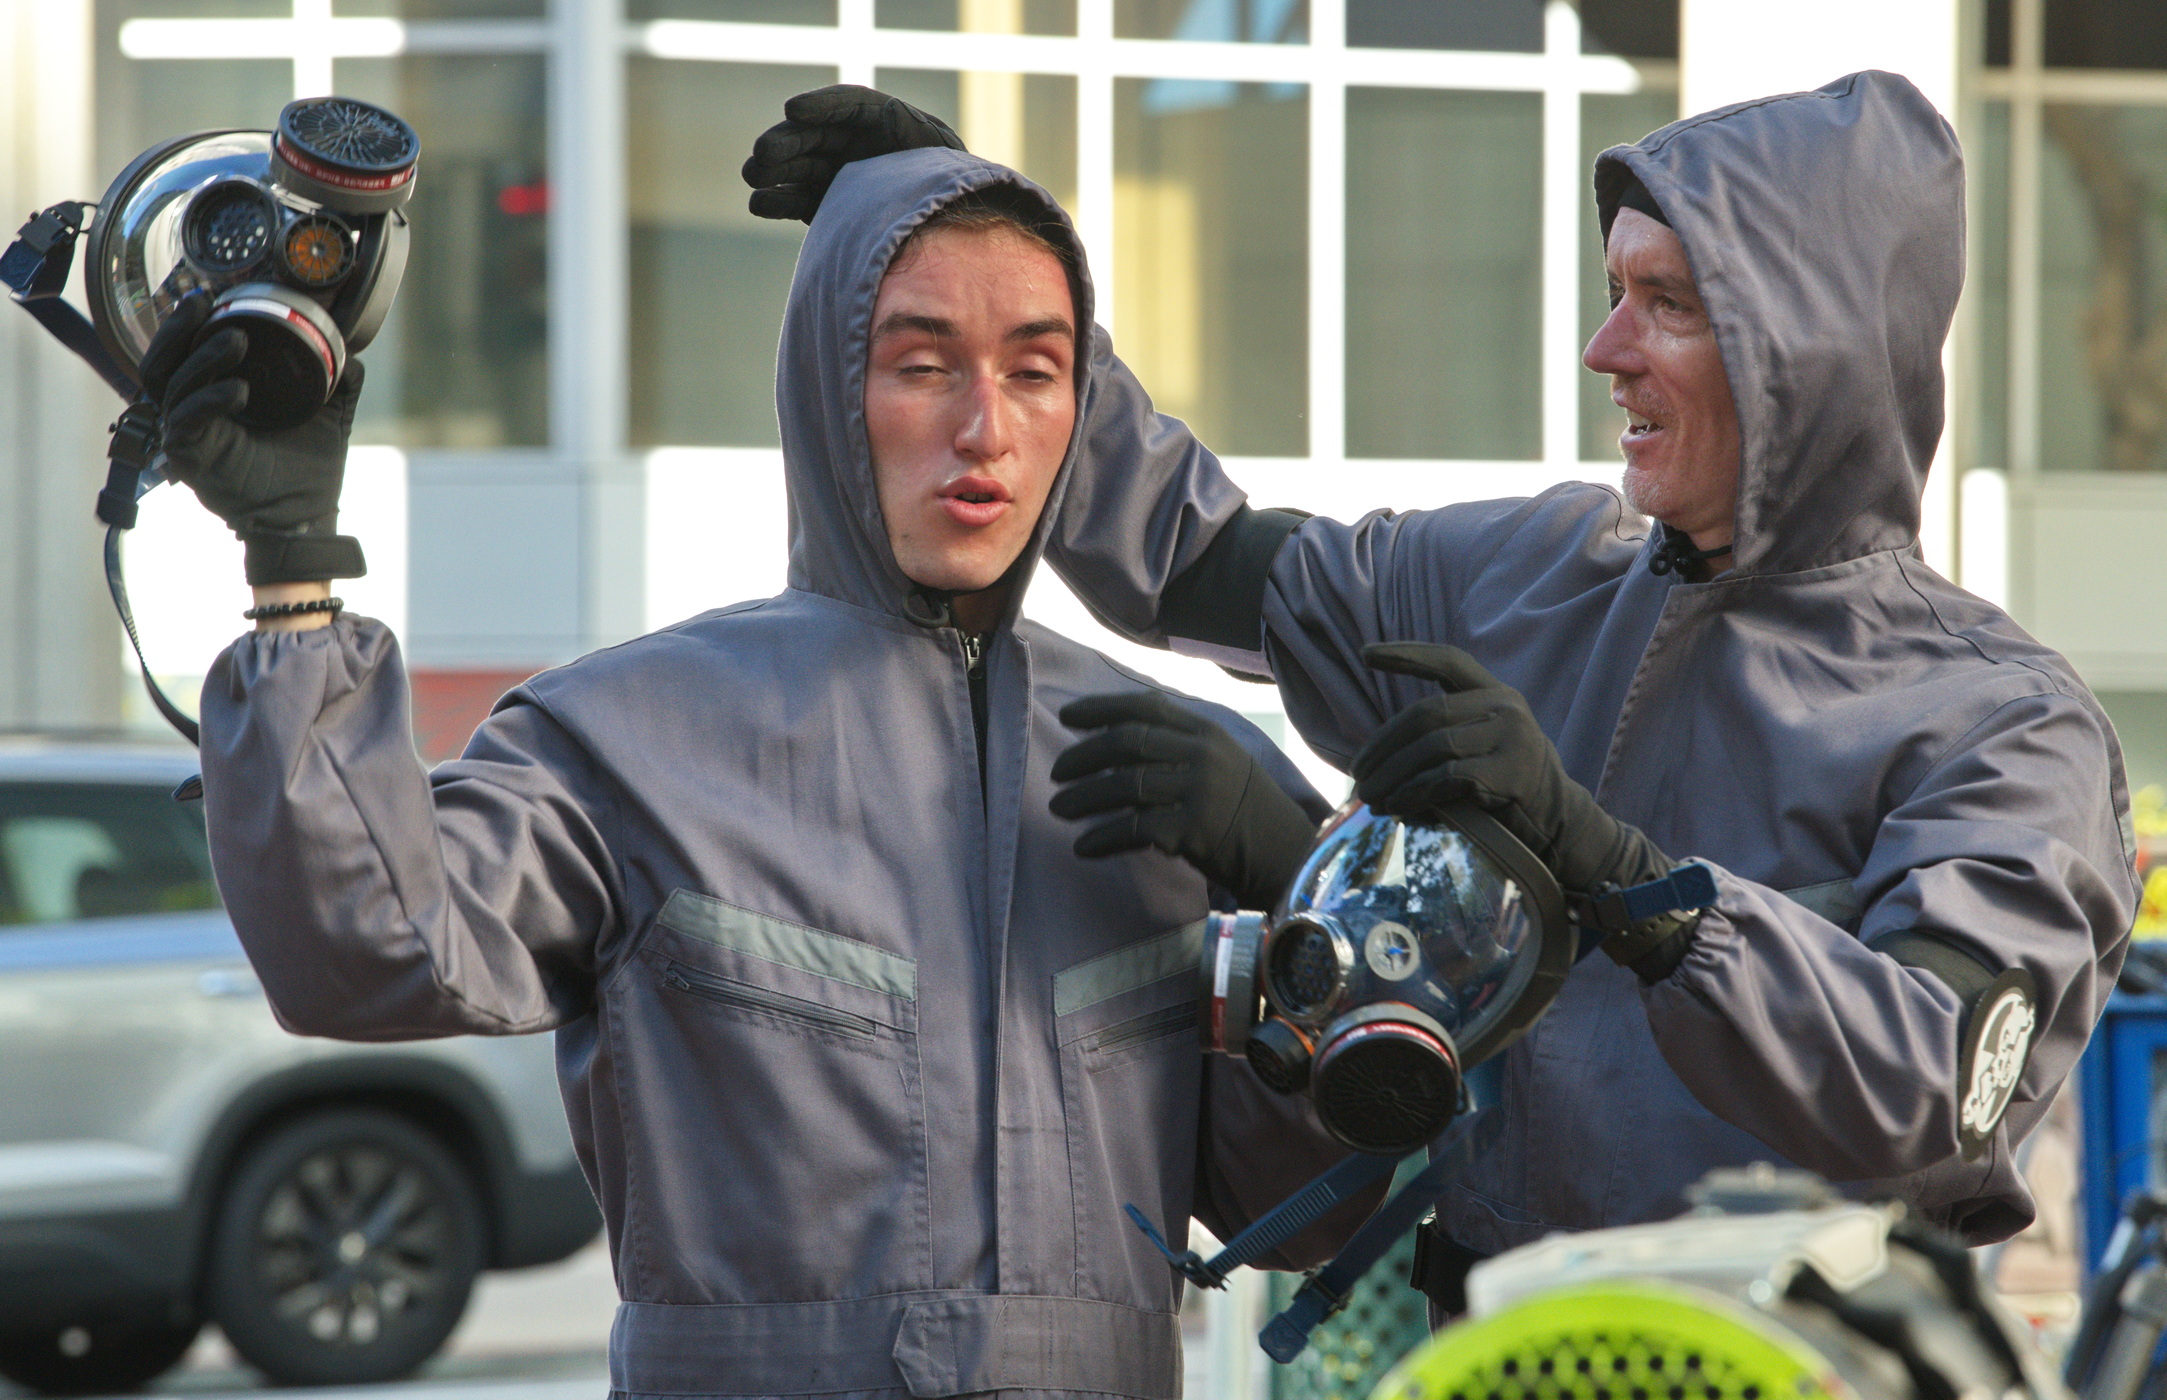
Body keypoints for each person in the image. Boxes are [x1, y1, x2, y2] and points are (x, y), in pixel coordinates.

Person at [744, 71, 2142, 1297]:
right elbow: (1192, 559)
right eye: (1612, 293)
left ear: (1809, 352)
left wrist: (1626, 882)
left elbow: (1933, 1089)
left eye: (1664, 305)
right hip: (1480, 1351)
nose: (1604, 351)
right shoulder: (1529, 574)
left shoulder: (2004, 728)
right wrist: (973, 257)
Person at [146, 146, 1375, 1395]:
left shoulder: (1173, 775)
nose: (985, 428)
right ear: (828, 393)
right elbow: (363, 950)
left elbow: (1306, 1208)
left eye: (1035, 371)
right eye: (922, 365)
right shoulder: (632, 740)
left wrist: (1310, 902)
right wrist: (292, 576)